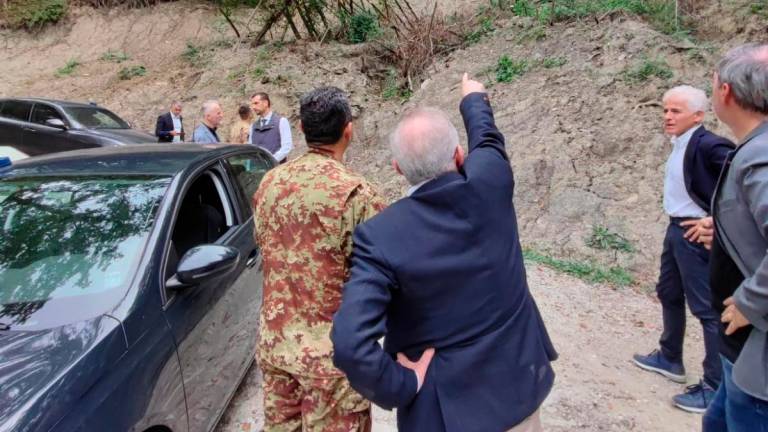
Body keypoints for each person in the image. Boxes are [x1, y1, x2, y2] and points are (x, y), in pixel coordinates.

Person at [331, 74, 557, 432]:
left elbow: (349, 343)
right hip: (519, 391)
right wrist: (474, 99)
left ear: (398, 169)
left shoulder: (380, 236)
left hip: (445, 415)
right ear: (458, 155)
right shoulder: (491, 181)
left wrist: (400, 384)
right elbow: (488, 139)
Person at [252, 86, 385, 431]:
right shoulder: (358, 194)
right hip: (332, 362)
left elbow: (266, 246)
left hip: (276, 347)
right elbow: (382, 276)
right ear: (348, 130)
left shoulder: (269, 184)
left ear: (302, 130)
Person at [632, 85, 734, 413]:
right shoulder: (682, 142)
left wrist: (714, 220)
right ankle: (670, 356)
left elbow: (739, 181)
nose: (668, 116)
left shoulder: (709, 144)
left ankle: (715, 386)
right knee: (669, 292)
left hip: (695, 231)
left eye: (675, 111)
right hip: (676, 227)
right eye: (665, 110)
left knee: (705, 308)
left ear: (698, 115)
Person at [696, 43, 768, 431]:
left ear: (725, 92)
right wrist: (726, 230)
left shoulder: (761, 154)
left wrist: (750, 300)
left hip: (759, 352)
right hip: (742, 350)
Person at [249, 92, 292, 162]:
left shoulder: (281, 121)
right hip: (258, 169)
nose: (253, 107)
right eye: (252, 104)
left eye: (256, 103)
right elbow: (251, 149)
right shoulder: (252, 126)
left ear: (265, 103)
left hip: (277, 168)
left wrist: (271, 161)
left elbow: (286, 147)